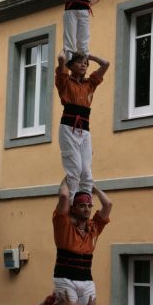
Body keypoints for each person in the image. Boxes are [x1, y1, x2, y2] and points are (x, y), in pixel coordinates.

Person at [52, 178, 112, 305]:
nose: (87, 209)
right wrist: (71, 175)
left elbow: (108, 204)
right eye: (82, 206)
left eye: (89, 206)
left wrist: (94, 188)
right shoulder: (62, 224)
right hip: (65, 278)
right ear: (73, 208)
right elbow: (64, 196)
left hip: (86, 280)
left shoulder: (94, 227)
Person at [55, 51, 109, 203]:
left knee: (86, 172)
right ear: (71, 65)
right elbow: (61, 63)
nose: (84, 64)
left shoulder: (90, 83)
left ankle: (86, 203)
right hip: (68, 127)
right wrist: (64, 57)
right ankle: (72, 204)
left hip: (84, 130)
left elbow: (105, 64)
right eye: (79, 62)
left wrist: (89, 56)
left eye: (86, 63)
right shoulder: (65, 82)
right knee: (75, 170)